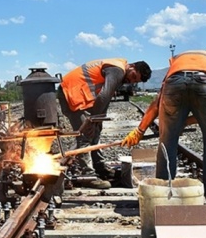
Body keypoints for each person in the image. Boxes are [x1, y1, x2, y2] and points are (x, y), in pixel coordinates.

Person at [121, 50, 206, 205]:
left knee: (167, 143)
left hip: (174, 85)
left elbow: (157, 102)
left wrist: (140, 130)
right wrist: (186, 121)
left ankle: (162, 196)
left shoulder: (176, 65)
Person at [58, 58, 152, 189]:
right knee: (85, 136)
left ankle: (100, 168)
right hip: (71, 93)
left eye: (134, 81)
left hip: (79, 94)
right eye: (133, 76)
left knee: (95, 132)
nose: (130, 81)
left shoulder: (118, 70)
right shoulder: (118, 70)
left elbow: (106, 98)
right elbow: (104, 96)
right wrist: (93, 119)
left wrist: (99, 120)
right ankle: (87, 176)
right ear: (131, 66)